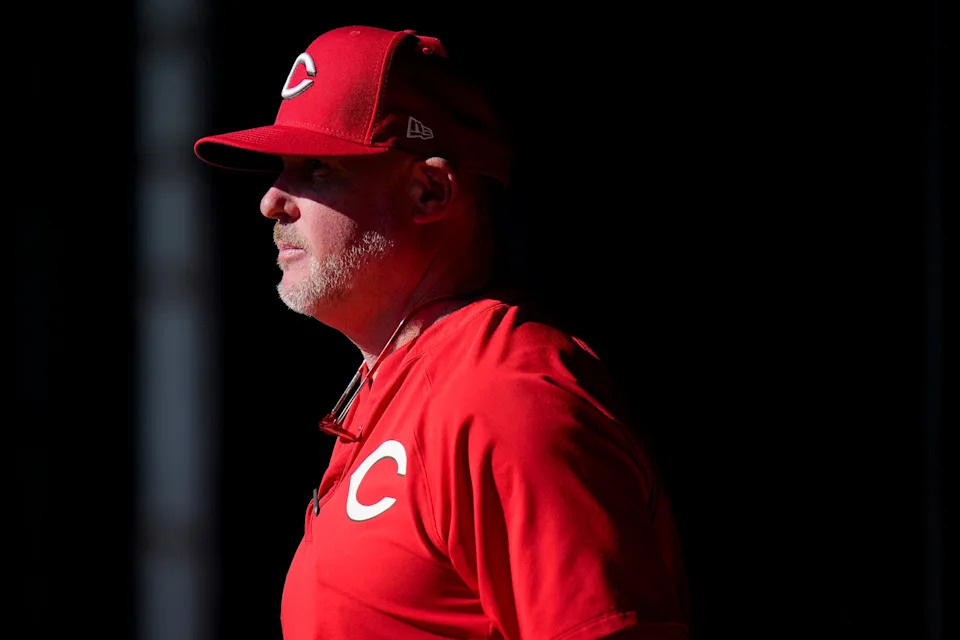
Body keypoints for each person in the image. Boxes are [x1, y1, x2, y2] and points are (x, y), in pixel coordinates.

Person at [194, 24, 690, 640]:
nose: (271, 201)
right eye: (282, 169)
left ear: (429, 189)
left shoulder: (503, 394)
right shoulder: (406, 385)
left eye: (317, 169)